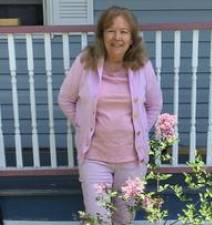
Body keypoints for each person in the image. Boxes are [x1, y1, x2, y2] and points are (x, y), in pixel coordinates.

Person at [58, 6, 162, 225]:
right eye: (111, 31)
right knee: (98, 219)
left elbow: (154, 104)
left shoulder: (142, 66)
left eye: (124, 32)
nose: (117, 37)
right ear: (101, 35)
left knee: (124, 219)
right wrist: (83, 123)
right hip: (95, 158)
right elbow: (65, 99)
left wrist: (141, 129)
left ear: (132, 38)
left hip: (132, 161)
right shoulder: (86, 61)